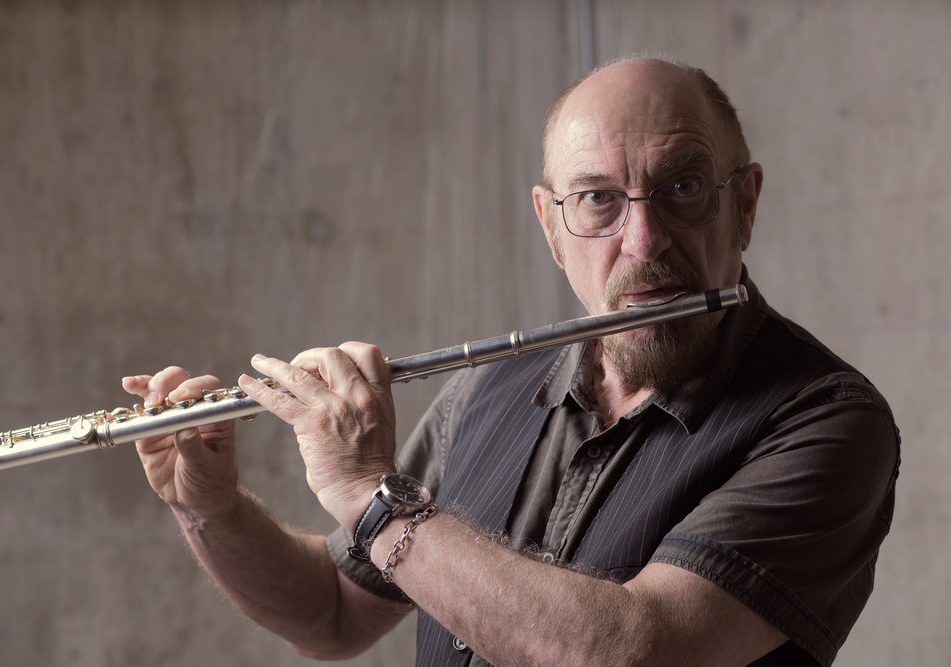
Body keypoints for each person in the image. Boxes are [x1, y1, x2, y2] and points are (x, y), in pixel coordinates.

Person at [123, 57, 899, 666]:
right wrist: (211, 507)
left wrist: (370, 494)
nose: (643, 240)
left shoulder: (825, 418)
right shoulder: (485, 389)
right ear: (552, 227)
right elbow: (330, 610)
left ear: (746, 203)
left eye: (684, 186)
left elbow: (637, 650)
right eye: (597, 199)